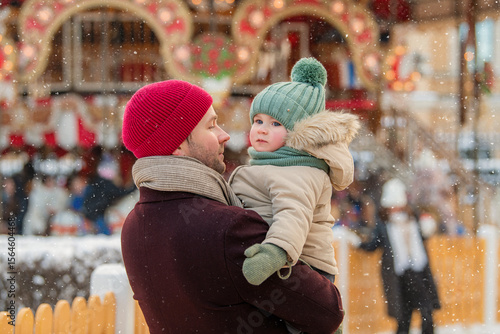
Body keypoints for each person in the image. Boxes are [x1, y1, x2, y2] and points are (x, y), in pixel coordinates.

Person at [120, 79, 344, 333]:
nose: (224, 134)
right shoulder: (227, 227)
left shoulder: (134, 226)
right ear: (178, 145)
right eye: (211, 125)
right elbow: (326, 310)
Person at [229, 58, 360, 287]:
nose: (262, 129)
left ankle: (322, 322)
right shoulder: (269, 165)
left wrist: (274, 253)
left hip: (301, 268)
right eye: (258, 120)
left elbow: (293, 215)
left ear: (296, 132)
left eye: (275, 124)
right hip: (285, 264)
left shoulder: (300, 171)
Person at [358, 178, 441, 334]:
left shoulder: (413, 218)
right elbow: (373, 245)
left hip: (419, 272)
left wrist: (428, 227)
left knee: (427, 314)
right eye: (392, 206)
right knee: (403, 318)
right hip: (399, 277)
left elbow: (423, 236)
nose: (395, 209)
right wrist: (357, 242)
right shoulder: (383, 226)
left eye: (397, 205)